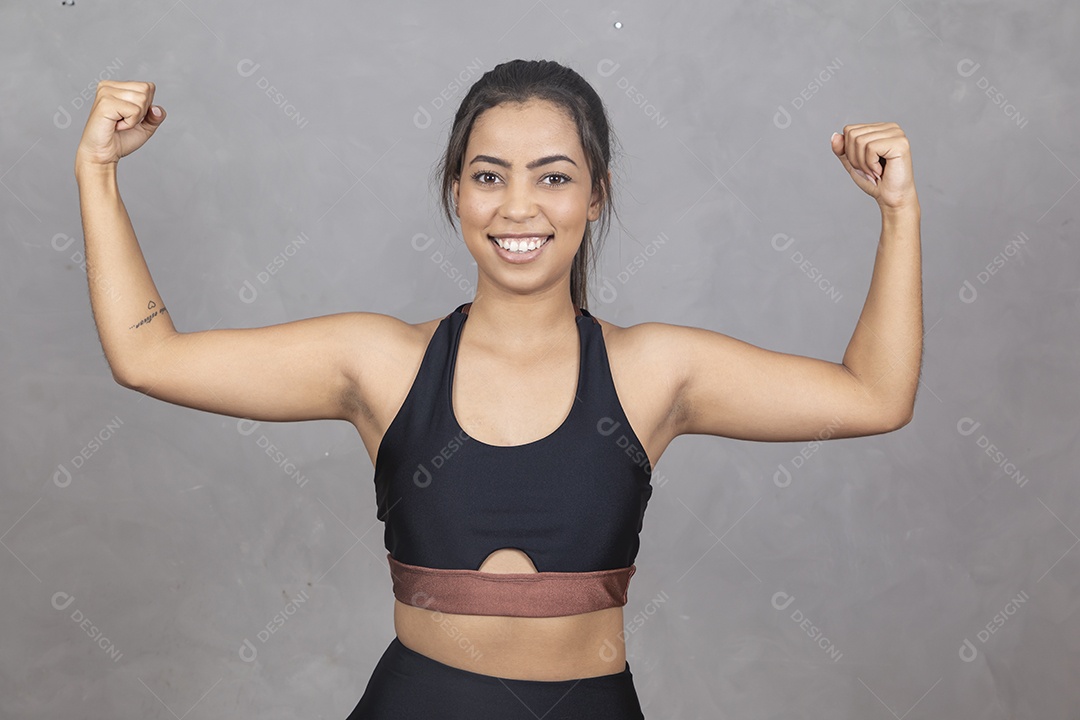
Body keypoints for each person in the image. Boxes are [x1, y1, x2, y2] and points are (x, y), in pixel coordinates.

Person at [74, 59, 921, 719]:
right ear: (456, 192)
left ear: (596, 197)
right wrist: (98, 171)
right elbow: (150, 356)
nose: (518, 207)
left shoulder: (655, 371)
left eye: (553, 177)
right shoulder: (381, 363)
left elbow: (875, 395)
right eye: (488, 176)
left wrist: (898, 213)